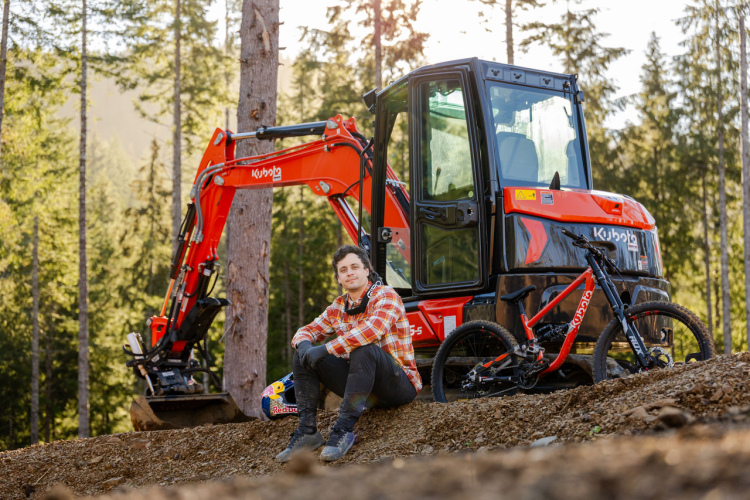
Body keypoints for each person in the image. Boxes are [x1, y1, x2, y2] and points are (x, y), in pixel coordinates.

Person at [275, 244, 421, 463]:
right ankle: (307, 432)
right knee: (302, 356)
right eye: (343, 270)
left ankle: (343, 430)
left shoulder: (386, 295)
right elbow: (306, 331)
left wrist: (324, 348)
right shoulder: (338, 306)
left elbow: (372, 331)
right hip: (364, 390)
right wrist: (305, 346)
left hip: (398, 385)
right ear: (338, 279)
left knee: (364, 348)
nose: (349, 272)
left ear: (366, 271)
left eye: (354, 267)